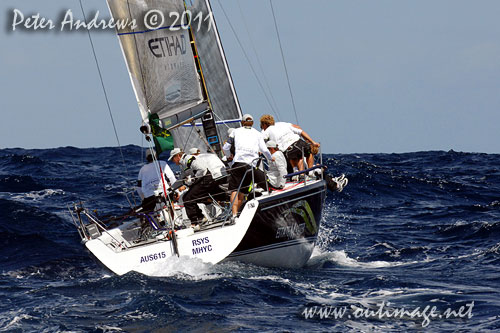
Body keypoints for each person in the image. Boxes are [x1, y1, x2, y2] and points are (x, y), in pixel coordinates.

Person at [223, 114, 273, 218]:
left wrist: (229, 157)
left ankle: (234, 215)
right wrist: (271, 158)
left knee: (234, 190)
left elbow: (226, 147)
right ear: (253, 123)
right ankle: (238, 213)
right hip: (251, 166)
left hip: (237, 164)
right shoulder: (257, 134)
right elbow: (264, 150)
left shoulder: (235, 132)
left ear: (242, 122)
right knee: (243, 192)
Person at [169, 148, 227, 225]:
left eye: (173, 158)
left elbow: (202, 170)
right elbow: (181, 178)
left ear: (178, 156)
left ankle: (196, 221)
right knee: (191, 197)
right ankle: (200, 218)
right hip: (203, 179)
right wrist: (171, 189)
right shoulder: (183, 163)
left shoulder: (189, 159)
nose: (173, 161)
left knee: (188, 198)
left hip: (205, 179)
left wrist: (193, 180)